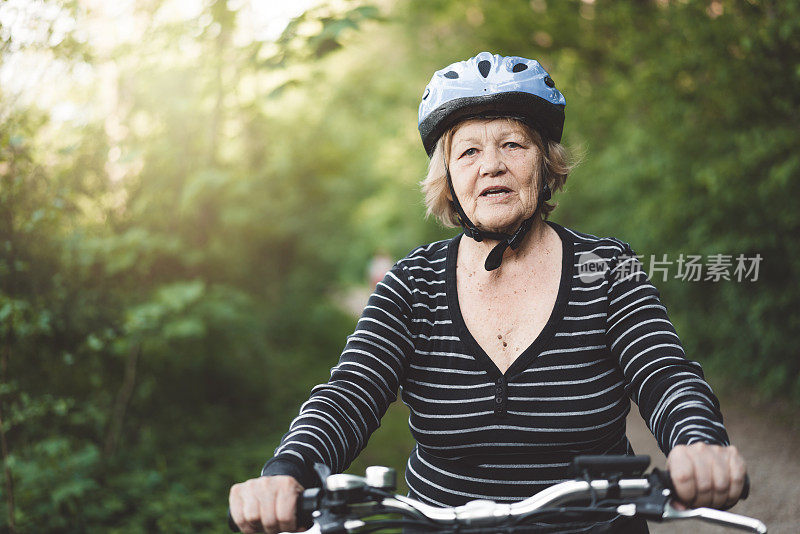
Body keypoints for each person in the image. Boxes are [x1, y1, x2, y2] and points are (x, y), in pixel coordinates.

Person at [229, 52, 747, 533]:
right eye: (469, 151)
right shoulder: (413, 285)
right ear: (448, 177)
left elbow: (665, 373)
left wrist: (698, 442)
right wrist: (287, 470)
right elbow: (348, 396)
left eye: (513, 144)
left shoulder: (606, 267)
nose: (491, 165)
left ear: (545, 163)